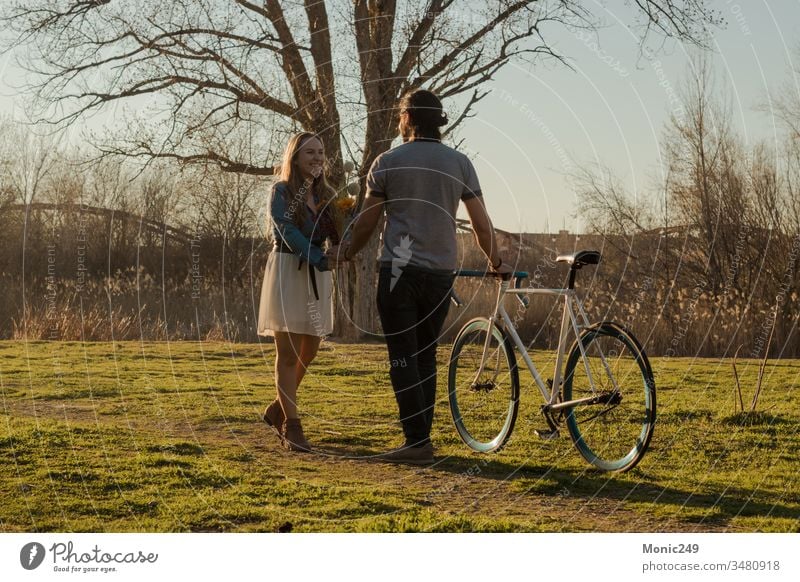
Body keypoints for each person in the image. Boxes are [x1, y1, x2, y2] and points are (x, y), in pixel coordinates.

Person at [332, 89, 513, 464]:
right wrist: (495, 260)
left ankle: (416, 442)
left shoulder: (388, 161)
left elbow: (369, 219)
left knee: (402, 356)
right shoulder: (460, 163)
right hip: (440, 274)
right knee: (426, 355)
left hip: (398, 272)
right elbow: (480, 223)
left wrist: (348, 251)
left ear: (406, 119)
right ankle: (421, 440)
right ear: (438, 121)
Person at [258, 132, 342, 452]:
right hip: (288, 271)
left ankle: (278, 407)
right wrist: (318, 256)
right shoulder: (281, 191)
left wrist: (341, 247)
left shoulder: (328, 193)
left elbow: (337, 229)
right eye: (310, 152)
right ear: (294, 157)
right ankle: (293, 427)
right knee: (289, 354)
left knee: (311, 349)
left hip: (318, 275)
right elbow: (286, 229)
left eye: (321, 152)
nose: (318, 157)